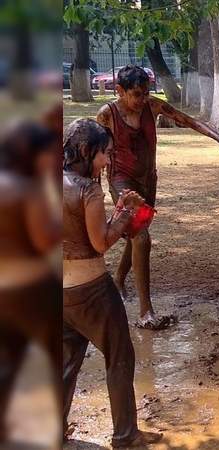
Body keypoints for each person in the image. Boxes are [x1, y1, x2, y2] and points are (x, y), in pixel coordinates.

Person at [96, 64, 219, 329]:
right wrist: (93, 186)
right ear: (119, 91)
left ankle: (118, 280)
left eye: (146, 93)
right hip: (122, 183)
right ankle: (146, 311)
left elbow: (188, 120)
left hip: (147, 181)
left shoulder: (152, 106)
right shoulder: (107, 115)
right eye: (137, 94)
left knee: (136, 235)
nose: (143, 100)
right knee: (141, 236)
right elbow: (95, 151)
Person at [62, 118, 162, 447]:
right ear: (85, 151)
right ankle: (125, 435)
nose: (107, 161)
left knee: (66, 361)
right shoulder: (87, 189)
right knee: (120, 356)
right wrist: (125, 214)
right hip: (92, 291)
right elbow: (101, 242)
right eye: (104, 154)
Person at [0, 121, 61, 445]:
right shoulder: (29, 190)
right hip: (30, 291)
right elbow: (42, 241)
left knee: (7, 362)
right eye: (47, 154)